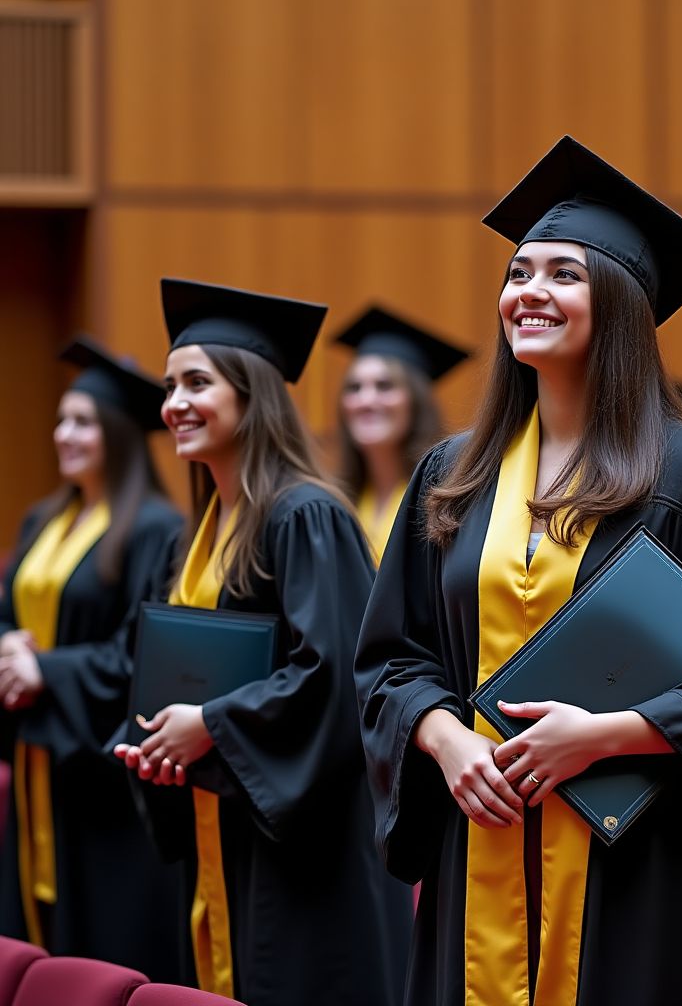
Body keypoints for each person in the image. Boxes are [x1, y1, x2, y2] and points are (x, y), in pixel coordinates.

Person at [355, 136, 682, 1005]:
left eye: (564, 273)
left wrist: (614, 732)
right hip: (483, 843)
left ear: (623, 304)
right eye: (518, 272)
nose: (529, 291)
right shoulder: (456, 475)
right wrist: (445, 740)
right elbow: (389, 662)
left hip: (645, 867)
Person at [115, 280, 411, 1006]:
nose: (173, 404)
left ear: (251, 395)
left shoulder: (304, 516)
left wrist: (211, 726)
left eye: (196, 383)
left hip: (303, 843)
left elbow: (336, 675)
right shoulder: (202, 530)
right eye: (168, 386)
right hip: (228, 817)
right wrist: (157, 741)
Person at [0, 337, 183, 980]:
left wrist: (44, 671)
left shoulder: (155, 528)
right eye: (61, 420)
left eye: (82, 421)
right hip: (39, 765)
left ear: (118, 433)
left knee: (98, 956)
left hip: (103, 778)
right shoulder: (43, 521)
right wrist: (7, 653)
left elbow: (142, 650)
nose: (63, 434)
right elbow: (9, 609)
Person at [334, 306, 468, 564]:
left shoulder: (447, 500)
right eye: (354, 388)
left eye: (385, 386)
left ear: (415, 403)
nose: (366, 400)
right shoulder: (340, 500)